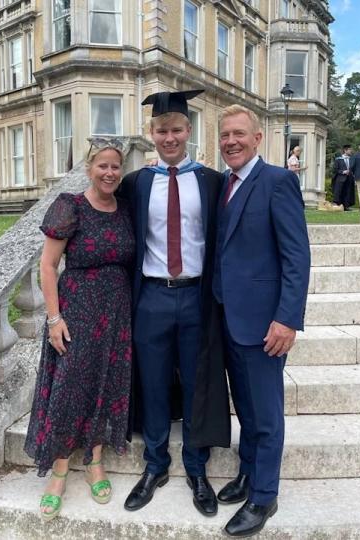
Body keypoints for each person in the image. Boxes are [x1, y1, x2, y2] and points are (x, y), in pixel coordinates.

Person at [115, 89, 230, 517]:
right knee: (154, 382)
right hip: (152, 298)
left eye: (177, 129)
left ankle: (197, 469)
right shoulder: (136, 182)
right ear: (152, 133)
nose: (169, 137)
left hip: (197, 297)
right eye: (162, 130)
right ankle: (155, 465)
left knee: (199, 382)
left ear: (189, 130)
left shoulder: (211, 181)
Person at [212, 104, 311, 537]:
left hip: (265, 324)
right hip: (229, 318)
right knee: (247, 409)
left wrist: (287, 319)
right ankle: (248, 472)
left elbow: (297, 257)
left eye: (238, 134)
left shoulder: (277, 181)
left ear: (257, 139)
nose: (230, 141)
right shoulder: (225, 186)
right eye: (224, 135)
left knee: (267, 414)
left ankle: (264, 496)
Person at [24, 141, 135, 521]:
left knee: (108, 386)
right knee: (69, 388)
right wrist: (54, 319)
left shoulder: (125, 210)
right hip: (77, 313)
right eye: (102, 166)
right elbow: (48, 266)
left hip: (117, 316)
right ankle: (57, 471)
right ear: (89, 169)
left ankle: (95, 461)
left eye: (115, 167)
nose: (109, 173)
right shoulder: (70, 206)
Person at [332, 144, 355, 211]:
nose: (351, 151)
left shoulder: (351, 159)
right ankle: (338, 205)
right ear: (345, 150)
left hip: (349, 178)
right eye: (349, 150)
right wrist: (343, 172)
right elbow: (335, 169)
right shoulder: (338, 159)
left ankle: (346, 206)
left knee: (348, 192)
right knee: (339, 192)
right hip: (340, 178)